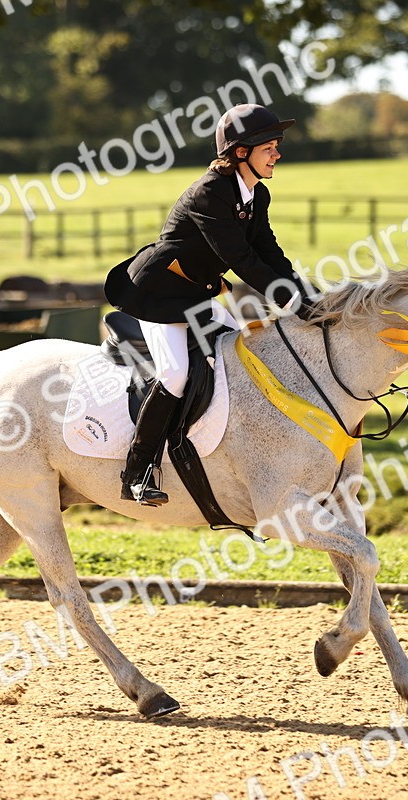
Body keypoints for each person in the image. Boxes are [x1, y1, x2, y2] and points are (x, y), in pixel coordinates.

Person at [103, 103, 320, 507]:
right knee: (175, 375)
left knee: (239, 353)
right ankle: (136, 472)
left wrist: (303, 292)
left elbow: (268, 250)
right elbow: (241, 259)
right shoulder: (210, 193)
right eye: (269, 147)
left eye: (277, 146)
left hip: (196, 294)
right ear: (241, 152)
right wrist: (289, 298)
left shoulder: (256, 194)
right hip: (157, 294)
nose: (277, 154)